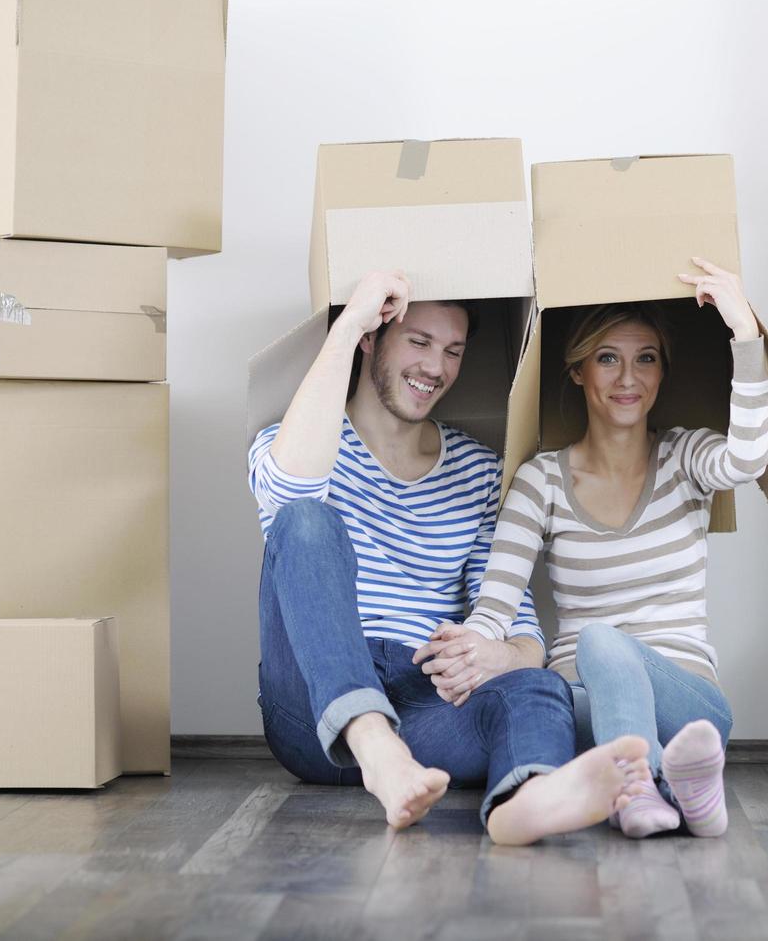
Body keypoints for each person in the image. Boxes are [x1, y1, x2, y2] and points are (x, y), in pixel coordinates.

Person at [247, 270, 650, 844]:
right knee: (305, 520)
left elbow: (526, 631)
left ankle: (526, 801)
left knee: (538, 688)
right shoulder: (296, 441)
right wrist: (349, 323)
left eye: (453, 351)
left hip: (422, 701)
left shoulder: (479, 470)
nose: (435, 368)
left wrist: (499, 655)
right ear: (371, 340)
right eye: (419, 342)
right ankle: (371, 742)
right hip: (313, 711)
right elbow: (288, 500)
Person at [425, 257, 768, 839]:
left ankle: (640, 786)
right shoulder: (541, 481)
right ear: (579, 371)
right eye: (608, 358)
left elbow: (748, 459)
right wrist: (471, 648)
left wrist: (745, 333)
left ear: (663, 374)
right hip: (585, 702)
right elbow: (497, 602)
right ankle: (678, 787)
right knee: (564, 694)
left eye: (646, 359)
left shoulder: (685, 458)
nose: (627, 378)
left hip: (687, 704)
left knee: (601, 640)